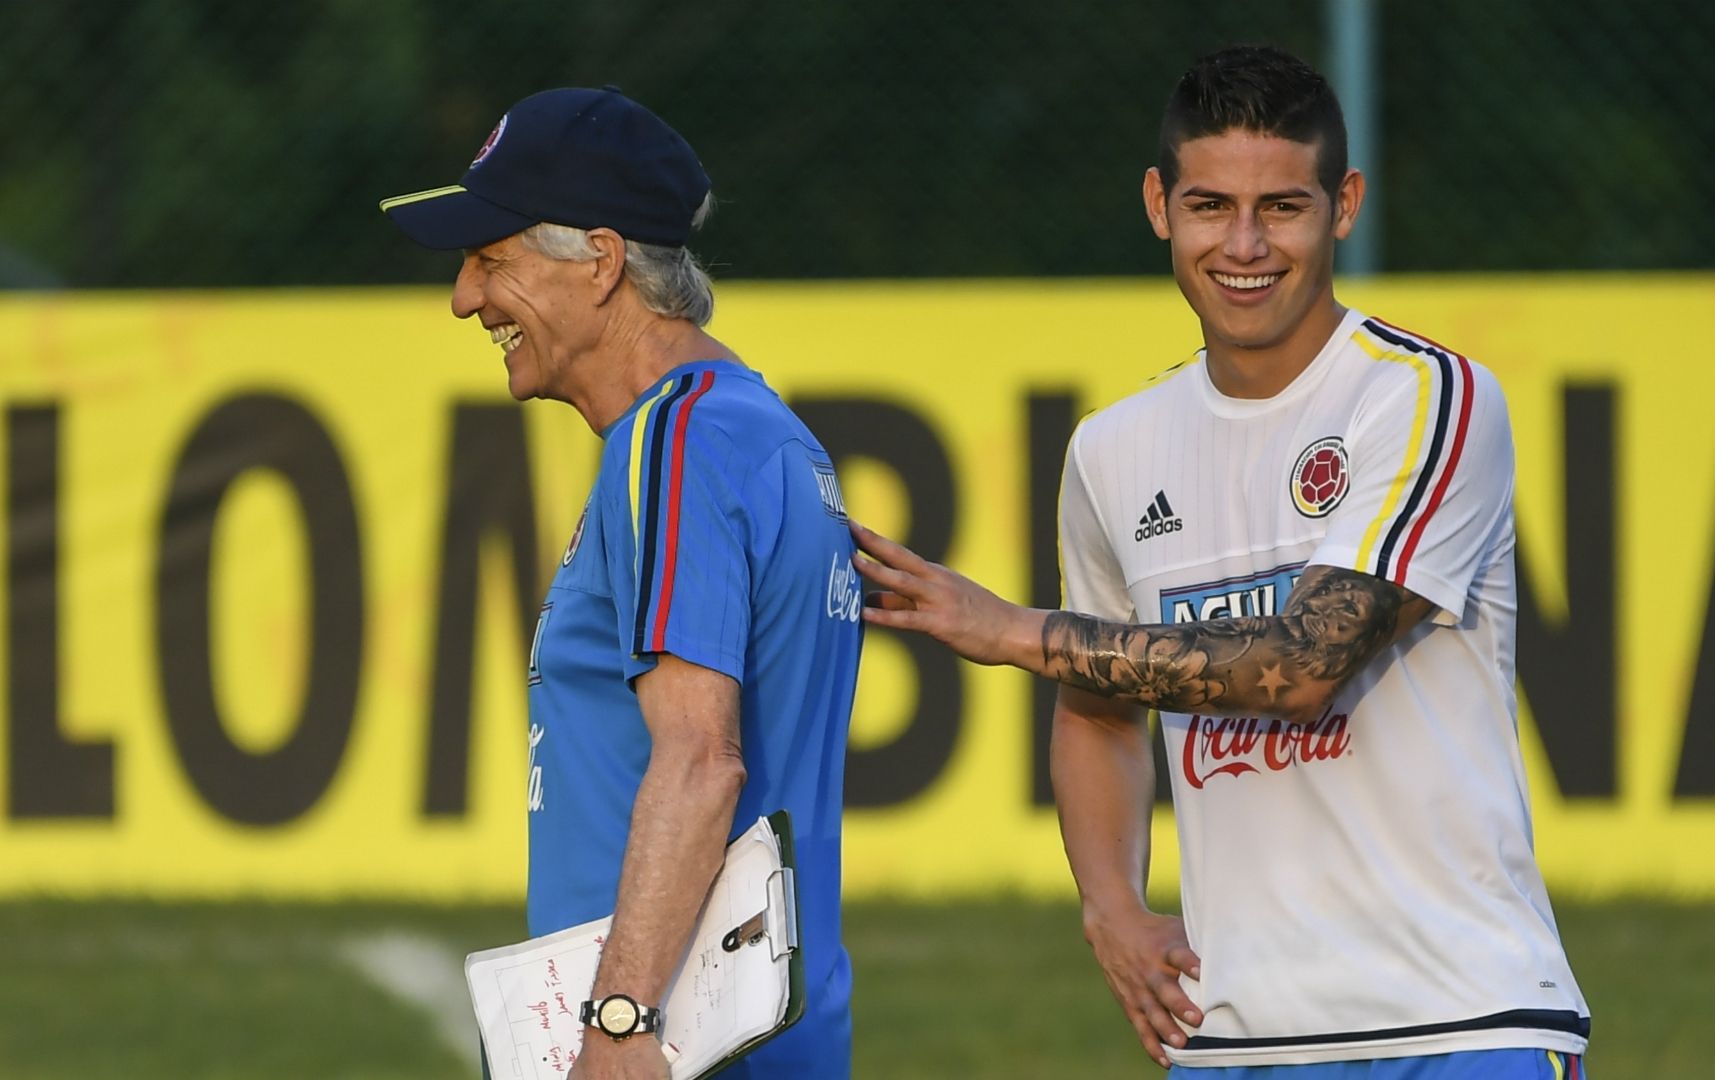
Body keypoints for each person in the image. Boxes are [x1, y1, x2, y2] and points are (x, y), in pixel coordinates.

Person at [852, 44, 1589, 1079]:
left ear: (1345, 204)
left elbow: (1301, 664)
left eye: (1282, 207)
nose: (1244, 244)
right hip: (1233, 1037)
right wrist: (1109, 909)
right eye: (1209, 205)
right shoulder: (1113, 451)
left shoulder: (1427, 399)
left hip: (1460, 1021)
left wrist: (1013, 630)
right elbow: (1098, 705)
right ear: (1159, 204)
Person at [381, 86, 862, 1079]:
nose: (466, 299)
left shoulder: (678, 440)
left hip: (681, 1042)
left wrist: (620, 1018)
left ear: (599, 262)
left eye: (491, 259)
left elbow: (700, 761)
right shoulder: (753, 430)